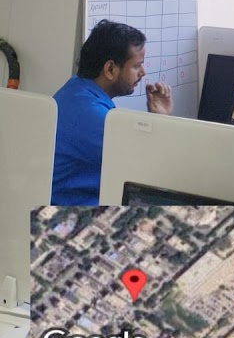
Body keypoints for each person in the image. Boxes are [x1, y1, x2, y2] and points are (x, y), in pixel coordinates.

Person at [51, 19, 173, 206]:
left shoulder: (76, 88)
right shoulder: (93, 116)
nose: (143, 72)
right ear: (110, 69)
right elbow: (151, 171)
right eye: (136, 66)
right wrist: (162, 120)